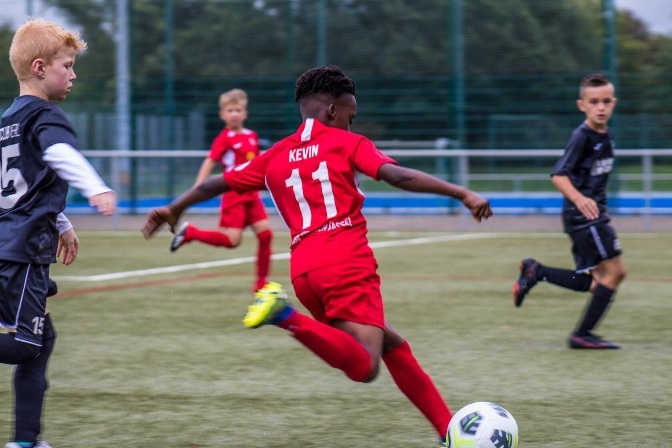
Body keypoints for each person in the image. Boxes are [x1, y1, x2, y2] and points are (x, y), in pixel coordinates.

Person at [142, 65, 492, 446]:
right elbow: (397, 176)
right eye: (349, 117)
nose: (350, 125)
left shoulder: (275, 155)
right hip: (346, 260)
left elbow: (215, 183)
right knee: (365, 366)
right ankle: (284, 315)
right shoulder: (349, 144)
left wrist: (174, 208)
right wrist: (462, 192)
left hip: (305, 271)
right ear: (331, 110)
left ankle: (446, 430)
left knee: (391, 343)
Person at [1, 19, 116, 448]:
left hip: (9, 243)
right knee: (27, 346)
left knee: (42, 338)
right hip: (23, 252)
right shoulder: (45, 115)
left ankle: (25, 440)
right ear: (39, 67)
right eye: (66, 65)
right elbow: (59, 153)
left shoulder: (7, 120)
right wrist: (95, 186)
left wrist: (62, 223)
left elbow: (23, 186)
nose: (73, 74)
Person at [513, 73, 626, 350]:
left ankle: (537, 271)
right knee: (615, 273)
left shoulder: (606, 135)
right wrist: (580, 199)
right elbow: (559, 175)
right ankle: (582, 335)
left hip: (592, 215)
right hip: (584, 216)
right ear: (582, 105)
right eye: (594, 102)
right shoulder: (582, 136)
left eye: (606, 101)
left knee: (599, 282)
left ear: (614, 103)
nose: (601, 107)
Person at [169, 88, 273, 292]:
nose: (234, 114)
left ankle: (261, 283)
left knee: (266, 234)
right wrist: (198, 188)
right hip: (234, 195)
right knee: (233, 241)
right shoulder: (224, 138)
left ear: (245, 113)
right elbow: (210, 161)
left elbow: (256, 164)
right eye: (230, 110)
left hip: (252, 196)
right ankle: (191, 233)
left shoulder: (252, 136)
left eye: (238, 110)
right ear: (222, 115)